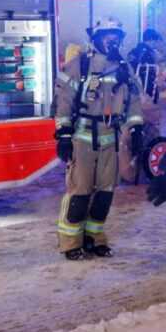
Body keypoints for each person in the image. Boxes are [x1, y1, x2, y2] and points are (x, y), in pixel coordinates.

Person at [53, 16, 144, 261]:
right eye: (107, 36)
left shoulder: (124, 69)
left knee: (105, 193)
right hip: (83, 138)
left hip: (110, 138)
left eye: (116, 37)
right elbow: (63, 102)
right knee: (80, 192)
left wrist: (136, 129)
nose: (112, 41)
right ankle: (70, 243)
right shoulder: (79, 65)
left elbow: (134, 102)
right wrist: (63, 133)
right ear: (96, 39)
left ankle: (95, 239)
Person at [127, 28, 163, 103]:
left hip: (135, 86)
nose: (156, 43)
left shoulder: (134, 51)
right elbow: (146, 69)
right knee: (148, 107)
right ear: (151, 40)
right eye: (156, 41)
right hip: (146, 86)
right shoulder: (147, 52)